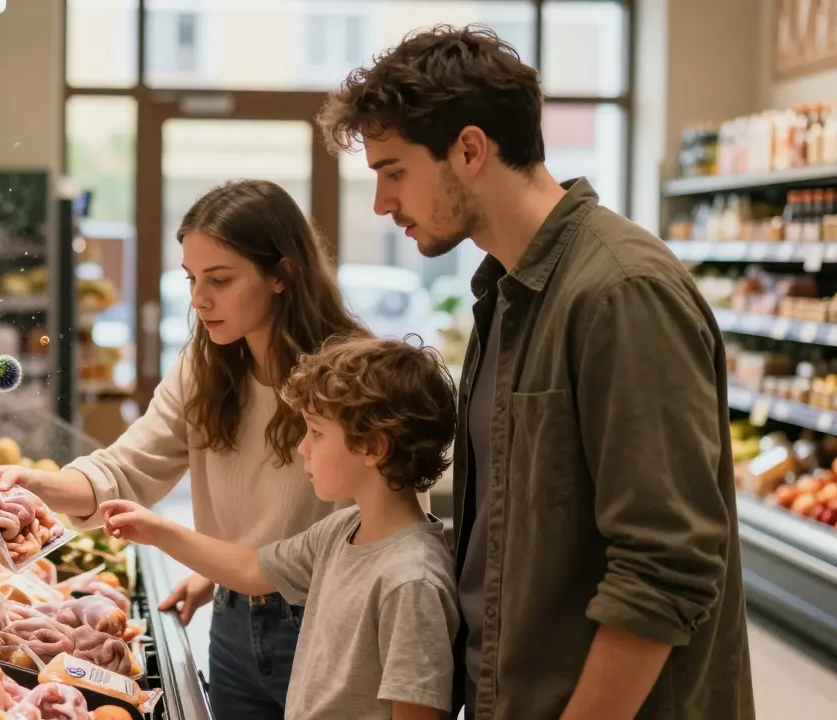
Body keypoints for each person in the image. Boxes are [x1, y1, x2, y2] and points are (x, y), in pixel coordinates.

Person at [317, 24, 753, 720]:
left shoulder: (620, 292)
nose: (381, 204)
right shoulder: (506, 298)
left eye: (393, 171)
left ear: (469, 149)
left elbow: (664, 567)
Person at [0, 178, 370, 718]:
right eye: (190, 278)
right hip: (233, 621)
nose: (198, 299)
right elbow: (126, 466)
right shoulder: (205, 367)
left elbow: (383, 528)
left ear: (282, 274)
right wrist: (36, 486)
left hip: (332, 622)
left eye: (221, 279)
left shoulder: (353, 375)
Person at [100, 335, 459, 720]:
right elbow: (253, 569)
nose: (303, 448)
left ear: (374, 447)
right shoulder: (341, 530)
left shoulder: (412, 582)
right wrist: (155, 529)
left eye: (316, 433)